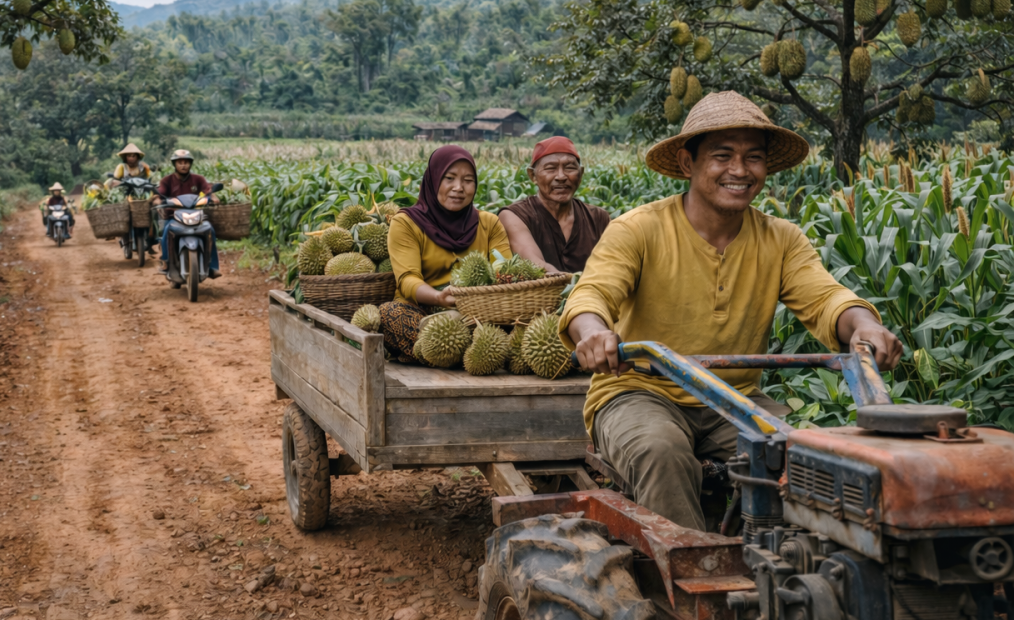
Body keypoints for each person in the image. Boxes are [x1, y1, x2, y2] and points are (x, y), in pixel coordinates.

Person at [559, 91, 903, 531]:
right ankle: (690, 569)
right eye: (722, 156)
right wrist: (594, 332)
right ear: (688, 163)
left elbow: (825, 298)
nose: (739, 170)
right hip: (640, 392)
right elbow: (593, 294)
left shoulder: (781, 239)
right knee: (661, 451)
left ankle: (786, 560)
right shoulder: (639, 229)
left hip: (735, 400)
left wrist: (864, 326)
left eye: (753, 157)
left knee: (804, 461)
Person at [378, 145, 511, 361]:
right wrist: (438, 298)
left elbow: (504, 272)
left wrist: (477, 301)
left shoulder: (489, 224)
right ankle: (459, 353)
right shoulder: (406, 223)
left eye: (468, 180)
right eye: (449, 178)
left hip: (477, 313)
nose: (459, 188)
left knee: (512, 323)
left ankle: (452, 355)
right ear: (433, 179)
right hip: (423, 310)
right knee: (390, 315)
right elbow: (407, 279)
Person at [499, 136, 611, 274]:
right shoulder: (515, 216)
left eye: (569, 168)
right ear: (532, 175)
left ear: (580, 174)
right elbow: (536, 265)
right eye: (550, 169)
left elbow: (614, 264)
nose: (561, 176)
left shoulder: (599, 218)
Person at [156, 149, 221, 278]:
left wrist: (213, 197)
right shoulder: (167, 180)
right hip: (173, 216)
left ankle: (212, 266)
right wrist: (157, 201)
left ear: (190, 164)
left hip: (196, 215)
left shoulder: (198, 179)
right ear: (174, 164)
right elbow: (159, 195)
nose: (183, 165)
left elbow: (207, 191)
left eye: (186, 162)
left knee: (210, 231)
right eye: (180, 162)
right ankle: (166, 262)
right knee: (166, 232)